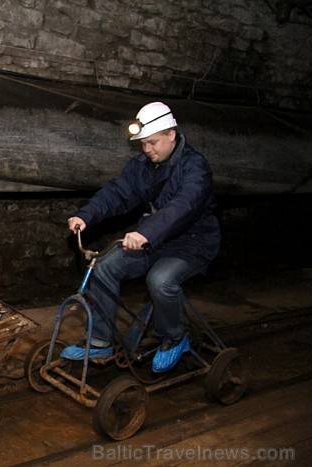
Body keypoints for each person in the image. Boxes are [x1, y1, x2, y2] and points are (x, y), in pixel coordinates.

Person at [61, 101, 220, 373]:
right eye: (143, 144)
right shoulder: (143, 165)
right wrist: (86, 215)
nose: (147, 150)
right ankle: (100, 341)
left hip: (192, 242)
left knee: (160, 280)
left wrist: (145, 232)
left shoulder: (195, 168)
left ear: (171, 134)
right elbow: (118, 193)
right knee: (104, 266)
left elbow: (182, 207)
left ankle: (173, 337)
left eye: (153, 142)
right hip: (155, 237)